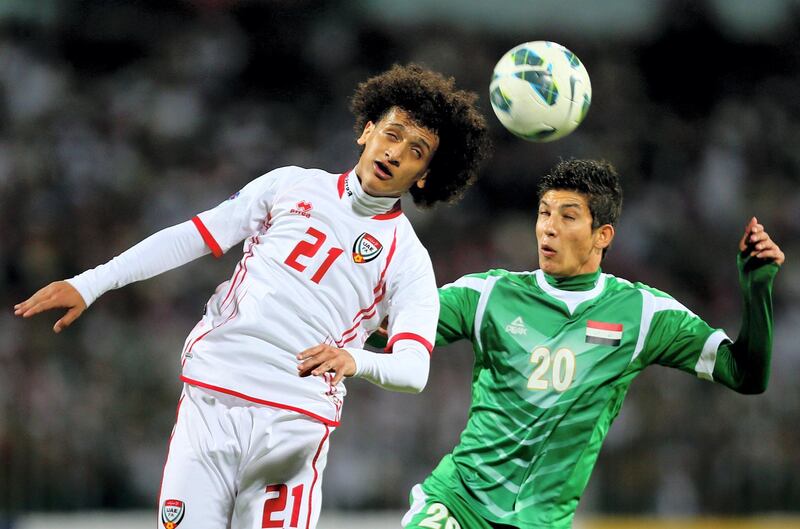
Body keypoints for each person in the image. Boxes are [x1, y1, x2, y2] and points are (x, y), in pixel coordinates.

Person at [13, 64, 491, 529]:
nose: (395, 152)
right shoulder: (289, 184)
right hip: (211, 398)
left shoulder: (408, 260)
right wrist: (91, 282)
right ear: (366, 131)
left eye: (416, 150)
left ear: (425, 174)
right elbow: (190, 237)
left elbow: (414, 370)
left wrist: (354, 359)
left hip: (294, 423)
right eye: (392, 133)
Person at [398, 159, 784, 529]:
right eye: (544, 212)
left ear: (603, 235)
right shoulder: (487, 294)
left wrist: (757, 288)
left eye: (567, 216)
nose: (548, 227)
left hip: (541, 522)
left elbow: (745, 374)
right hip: (457, 503)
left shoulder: (643, 313)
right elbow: (388, 329)